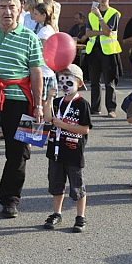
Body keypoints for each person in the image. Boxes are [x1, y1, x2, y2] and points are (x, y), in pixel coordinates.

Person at [0, 0, 44, 219]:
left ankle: (10, 199)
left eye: (12, 6)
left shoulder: (30, 38)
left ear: (20, 9)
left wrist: (39, 105)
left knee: (19, 153)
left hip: (20, 101)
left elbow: (36, 74)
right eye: (2, 7)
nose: (7, 11)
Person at [43, 64, 92, 232]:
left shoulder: (82, 104)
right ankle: (56, 213)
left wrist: (63, 125)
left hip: (73, 150)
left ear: (79, 83)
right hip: (56, 150)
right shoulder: (57, 102)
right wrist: (49, 99)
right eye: (61, 81)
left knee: (77, 185)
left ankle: (80, 216)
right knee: (56, 184)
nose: (64, 85)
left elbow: (85, 129)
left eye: (69, 81)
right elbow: (48, 118)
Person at [85, 0, 122, 118]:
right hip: (94, 50)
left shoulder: (114, 13)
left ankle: (111, 109)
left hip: (108, 51)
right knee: (95, 81)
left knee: (109, 82)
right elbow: (88, 33)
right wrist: (101, 32)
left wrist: (100, 17)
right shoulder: (91, 14)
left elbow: (108, 31)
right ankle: (95, 108)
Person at [32, 2, 57, 110]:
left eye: (36, 14)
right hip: (49, 71)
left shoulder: (44, 32)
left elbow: (39, 53)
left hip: (43, 72)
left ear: (44, 15)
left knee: (42, 105)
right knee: (48, 104)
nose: (34, 17)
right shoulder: (51, 29)